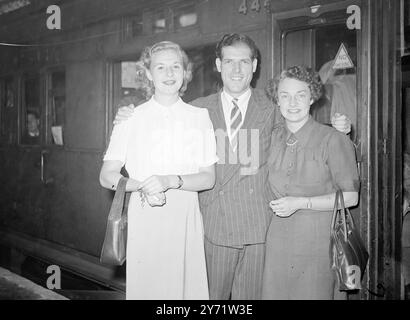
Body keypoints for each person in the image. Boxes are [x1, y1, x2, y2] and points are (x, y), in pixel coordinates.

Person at [114, 34, 352, 300]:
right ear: (218, 64)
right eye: (229, 62)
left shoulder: (274, 106)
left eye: (243, 62)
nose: (236, 70)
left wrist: (340, 129)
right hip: (211, 230)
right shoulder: (197, 111)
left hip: (257, 231)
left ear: (254, 65)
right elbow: (162, 134)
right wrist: (126, 116)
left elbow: (301, 135)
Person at [99, 41, 218, 300]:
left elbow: (208, 178)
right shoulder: (129, 118)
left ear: (185, 73)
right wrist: (141, 184)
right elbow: (107, 175)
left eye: (176, 66)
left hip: (184, 219)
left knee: (184, 292)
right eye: (160, 67)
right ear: (149, 74)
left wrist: (169, 180)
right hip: (145, 215)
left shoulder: (199, 117)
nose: (169, 73)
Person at [262, 66, 360, 299]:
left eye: (301, 95)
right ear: (277, 100)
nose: (292, 102)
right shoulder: (271, 138)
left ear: (313, 97)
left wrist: (301, 202)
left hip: (317, 243)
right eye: (285, 95)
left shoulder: (333, 139)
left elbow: (351, 197)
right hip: (277, 241)